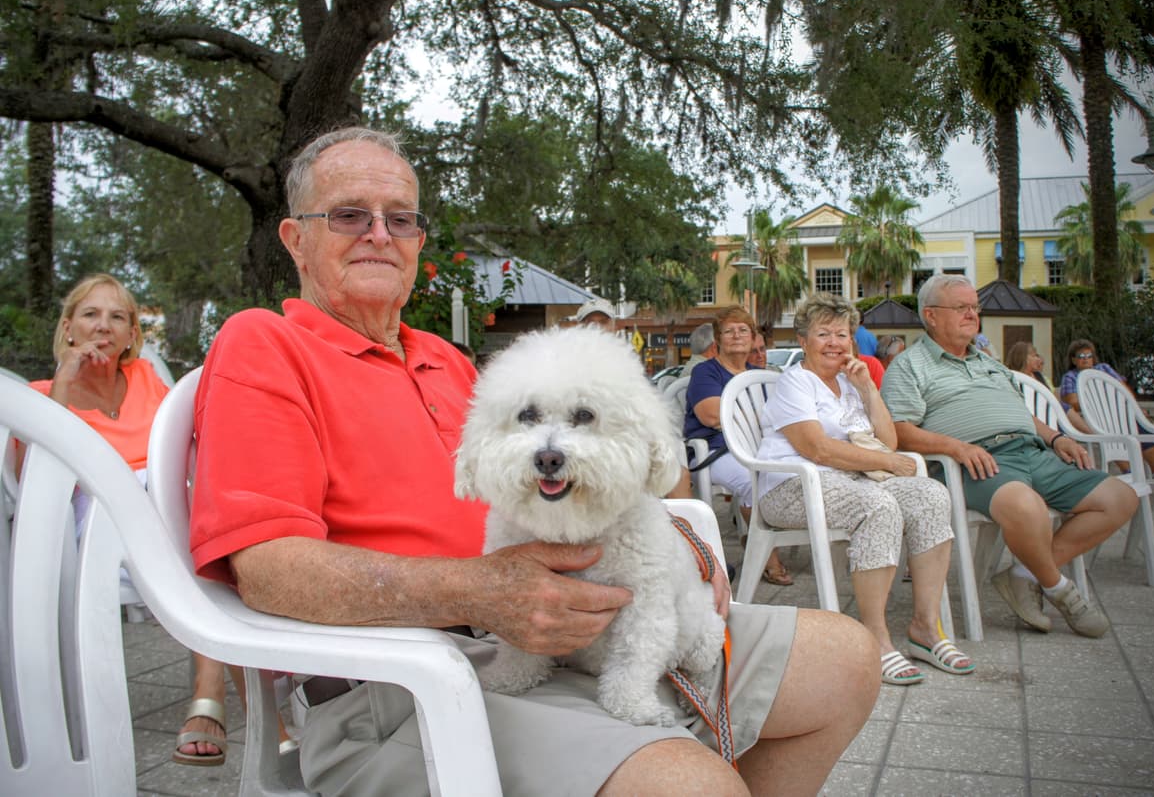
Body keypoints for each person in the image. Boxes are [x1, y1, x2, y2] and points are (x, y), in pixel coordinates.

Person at [188, 126, 879, 795]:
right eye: (349, 215)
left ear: (418, 241)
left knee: (846, 661)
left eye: (400, 220)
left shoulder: (454, 364)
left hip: (576, 624)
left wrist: (673, 532)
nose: (379, 234)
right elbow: (268, 571)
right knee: (689, 787)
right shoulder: (264, 345)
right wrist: (483, 592)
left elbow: (590, 470)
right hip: (404, 678)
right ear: (296, 240)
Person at [22, 274, 292, 766]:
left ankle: (223, 700)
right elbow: (30, 484)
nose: (104, 327)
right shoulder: (42, 397)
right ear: (67, 327)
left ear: (132, 336)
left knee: (214, 530)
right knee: (210, 547)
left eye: (118, 317)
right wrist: (64, 379)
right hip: (102, 526)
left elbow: (188, 445)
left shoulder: (149, 379)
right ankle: (242, 708)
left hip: (174, 508)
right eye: (90, 314)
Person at [882, 275, 1139, 638]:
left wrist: (1055, 437)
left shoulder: (991, 363)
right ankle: (1061, 590)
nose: (972, 314)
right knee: (1027, 507)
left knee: (1119, 499)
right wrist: (956, 447)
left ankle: (1025, 575)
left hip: (1031, 450)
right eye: (961, 307)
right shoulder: (910, 365)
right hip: (972, 462)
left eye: (974, 307)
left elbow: (1019, 412)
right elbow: (899, 431)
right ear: (931, 315)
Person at [753, 293, 972, 684]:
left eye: (842, 334)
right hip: (790, 488)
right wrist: (886, 463)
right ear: (803, 340)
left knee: (931, 495)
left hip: (849, 481)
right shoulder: (795, 382)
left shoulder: (849, 384)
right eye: (824, 333)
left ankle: (925, 626)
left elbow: (888, 441)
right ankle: (876, 636)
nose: (835, 342)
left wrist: (869, 389)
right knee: (877, 505)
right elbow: (815, 448)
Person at [686, 307, 792, 586]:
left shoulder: (759, 374)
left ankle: (758, 538)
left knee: (795, 473)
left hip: (758, 450)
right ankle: (769, 558)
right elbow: (710, 414)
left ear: (753, 336)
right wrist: (759, 416)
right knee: (752, 481)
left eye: (743, 330)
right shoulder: (705, 372)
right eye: (728, 330)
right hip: (712, 452)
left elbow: (782, 416)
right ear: (718, 339)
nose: (736, 336)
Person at [1059, 339, 1154, 478]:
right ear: (1073, 359)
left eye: (1089, 356)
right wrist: (1102, 401)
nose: (1086, 360)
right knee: (1109, 427)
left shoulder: (1104, 368)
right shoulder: (1070, 377)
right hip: (1096, 417)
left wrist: (1136, 409)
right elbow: (1072, 401)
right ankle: (1129, 472)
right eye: (1081, 356)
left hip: (1120, 412)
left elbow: (1123, 389)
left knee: (1141, 427)